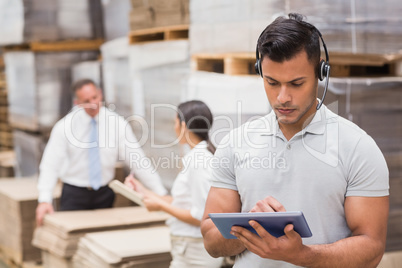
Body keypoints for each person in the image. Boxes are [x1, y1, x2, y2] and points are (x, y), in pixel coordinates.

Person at [201, 13, 389, 268]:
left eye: (296, 83)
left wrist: (301, 255)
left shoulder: (357, 148)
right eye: (272, 82)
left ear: (321, 72)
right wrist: (251, 226)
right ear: (260, 72)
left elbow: (372, 248)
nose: (283, 97)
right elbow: (211, 240)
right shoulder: (235, 143)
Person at [35, 79, 167, 226]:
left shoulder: (116, 123)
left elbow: (137, 160)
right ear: (77, 103)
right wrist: (44, 199)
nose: (92, 104)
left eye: (94, 98)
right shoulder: (64, 127)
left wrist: (161, 194)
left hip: (104, 194)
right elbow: (50, 164)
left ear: (100, 94)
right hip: (74, 194)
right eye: (86, 100)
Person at [125, 100, 224, 268]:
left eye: (175, 123)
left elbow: (201, 217)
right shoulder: (198, 156)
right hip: (187, 248)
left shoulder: (199, 162)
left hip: (195, 250)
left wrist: (161, 207)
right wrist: (142, 190)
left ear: (183, 125)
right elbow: (182, 202)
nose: (174, 128)